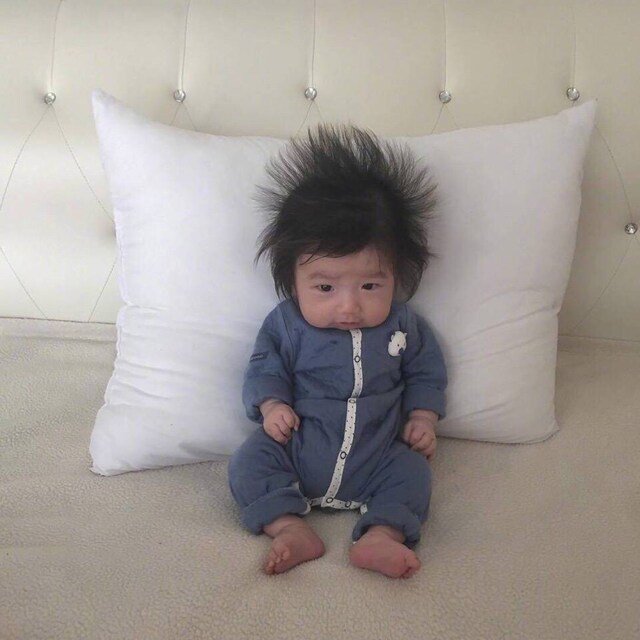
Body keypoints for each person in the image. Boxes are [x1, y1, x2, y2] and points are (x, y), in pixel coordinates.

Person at [228, 124, 447, 579]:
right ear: (293, 281)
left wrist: (424, 418)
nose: (349, 306)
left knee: (414, 473)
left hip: (378, 451)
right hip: (296, 447)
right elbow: (265, 366)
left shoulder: (405, 325)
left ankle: (381, 535)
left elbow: (426, 372)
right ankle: (289, 527)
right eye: (325, 288)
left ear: (397, 276)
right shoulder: (286, 324)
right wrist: (272, 406)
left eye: (370, 286)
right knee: (248, 462)